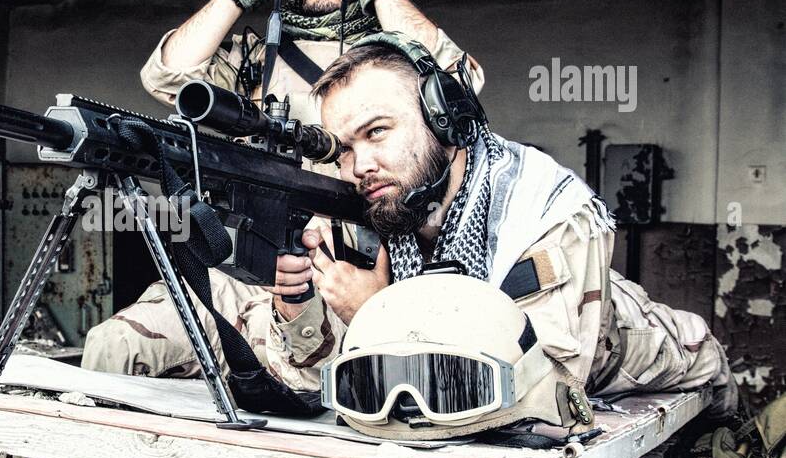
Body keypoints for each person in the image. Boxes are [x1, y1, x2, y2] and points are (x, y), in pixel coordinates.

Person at [82, 0, 481, 378]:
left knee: (322, 398)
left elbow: (460, 86)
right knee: (115, 346)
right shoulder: (256, 55)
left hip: (342, 281)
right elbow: (166, 75)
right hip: (243, 275)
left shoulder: (395, 62)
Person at [266, 34, 739, 424]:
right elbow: (315, 386)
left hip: (657, 354)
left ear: (443, 121)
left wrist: (378, 315)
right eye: (342, 149)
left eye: (377, 132)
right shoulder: (377, 203)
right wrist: (296, 307)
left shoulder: (544, 210)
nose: (358, 166)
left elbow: (540, 400)